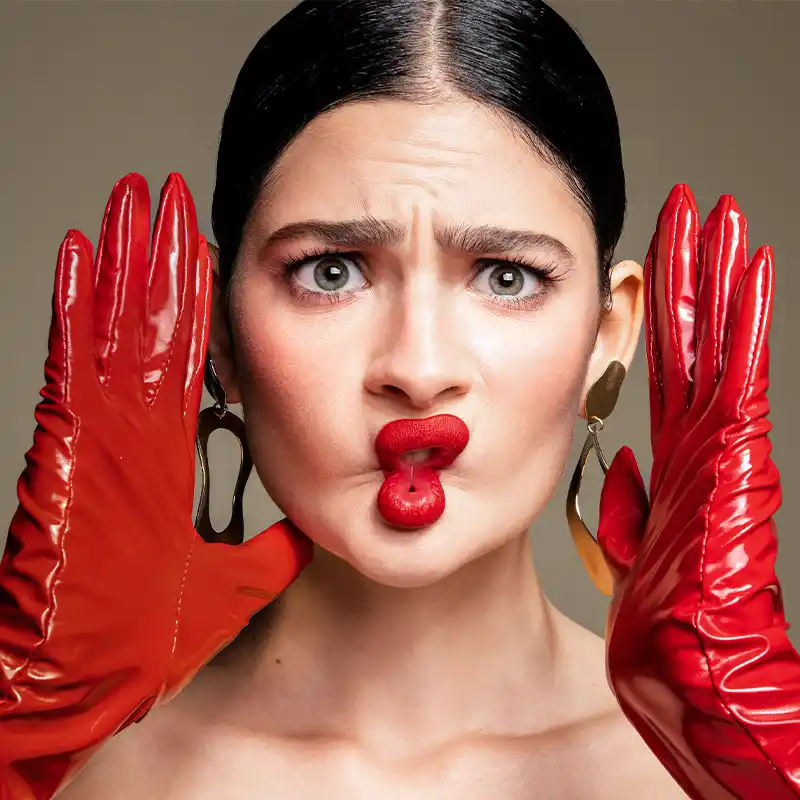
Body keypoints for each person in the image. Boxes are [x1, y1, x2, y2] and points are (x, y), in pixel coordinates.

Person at [1, 1, 796, 798]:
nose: (417, 369)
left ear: (608, 332)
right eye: (332, 270)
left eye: (506, 277)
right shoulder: (77, 768)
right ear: (216, 329)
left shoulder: (709, 771)